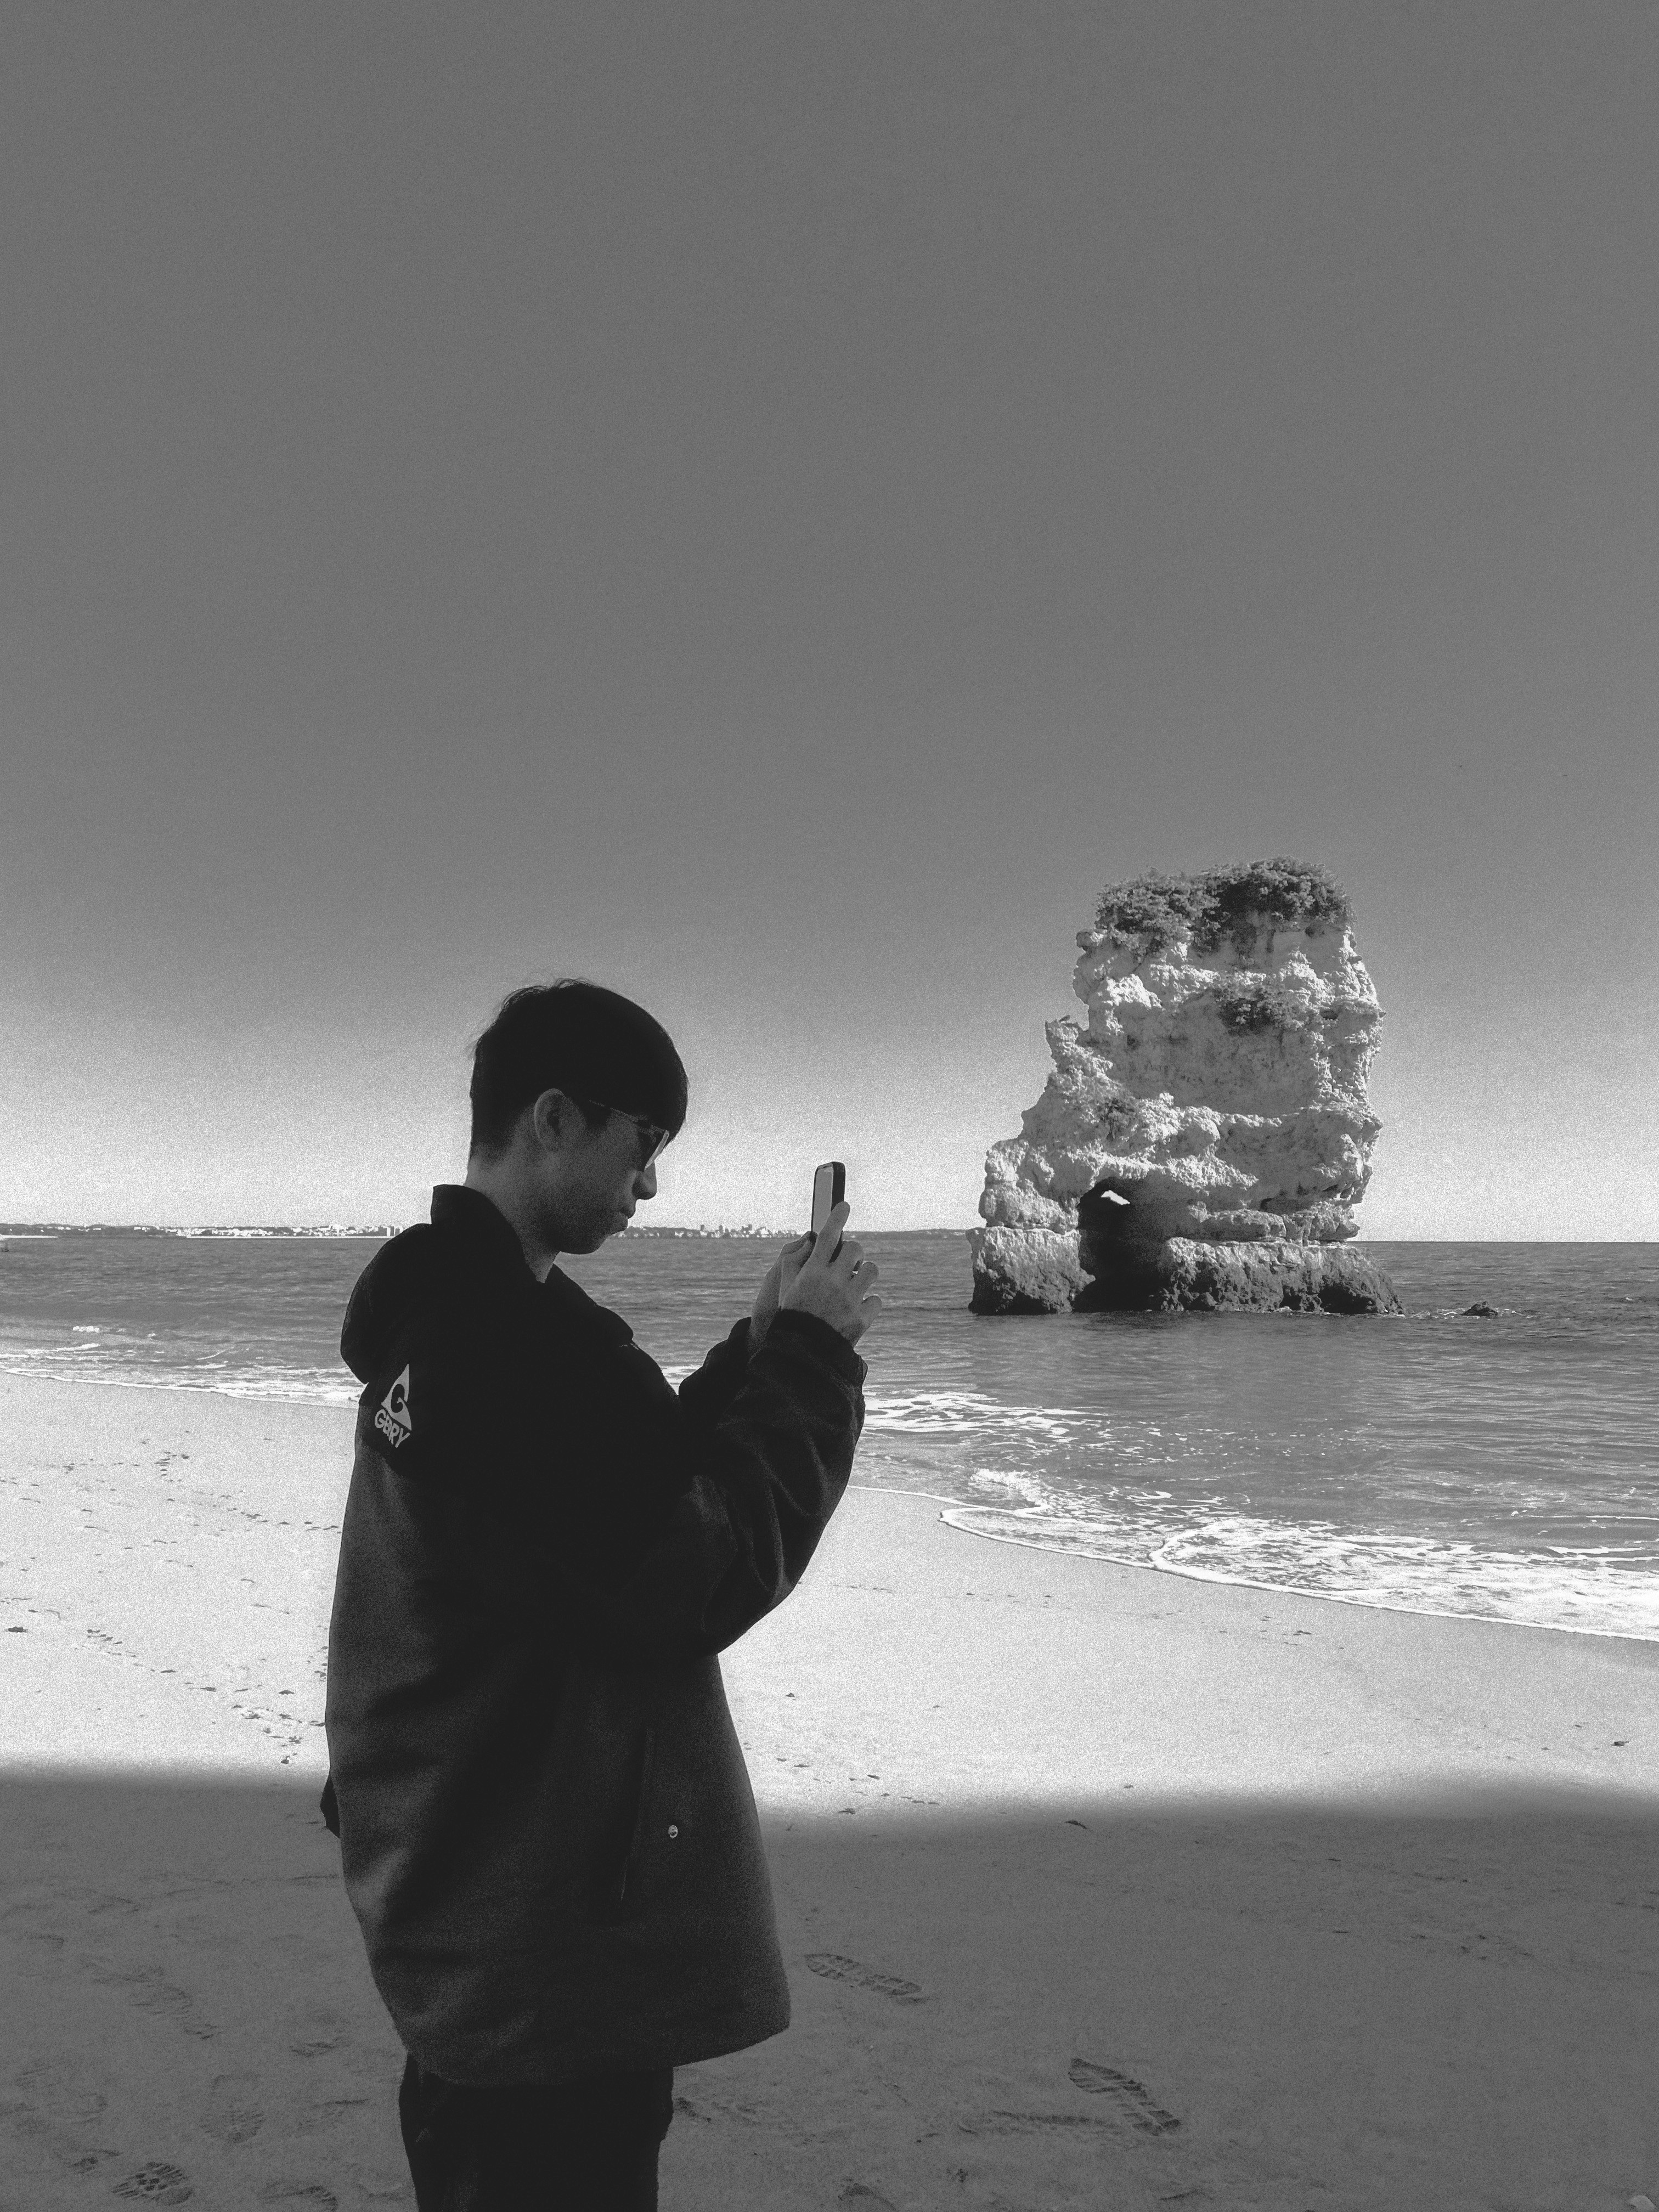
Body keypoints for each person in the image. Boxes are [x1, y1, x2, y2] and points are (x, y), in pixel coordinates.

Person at [320, 979, 879, 2210]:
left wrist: (758, 1343)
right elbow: (698, 1575)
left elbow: (617, 1492)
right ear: (557, 1119)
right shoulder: (511, 1349)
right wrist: (817, 1365)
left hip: (480, 1892)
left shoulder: (450, 1312)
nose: (653, 1185)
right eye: (646, 1144)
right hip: (543, 1946)